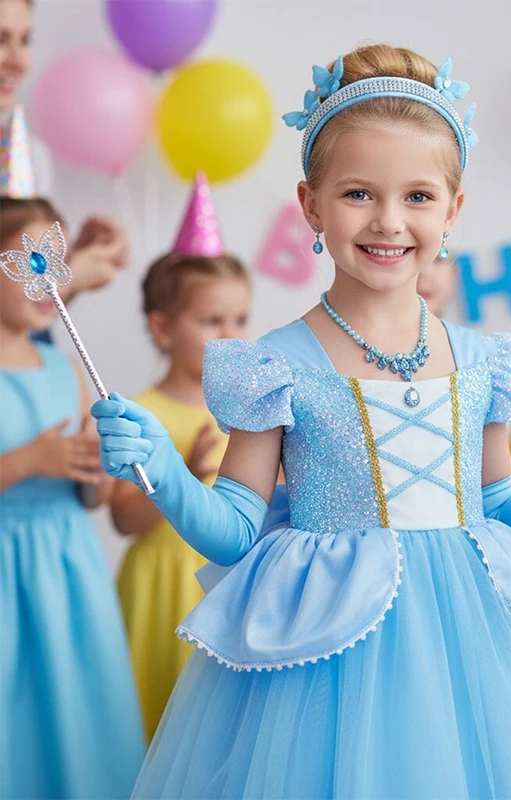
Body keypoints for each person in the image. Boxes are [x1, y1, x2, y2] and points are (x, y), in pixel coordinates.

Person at [93, 44, 511, 799]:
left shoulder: (484, 362)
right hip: (323, 670)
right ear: (310, 204)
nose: (389, 221)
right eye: (359, 193)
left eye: (418, 197)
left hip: (472, 660)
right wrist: (159, 467)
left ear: (453, 210)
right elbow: (234, 530)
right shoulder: (277, 365)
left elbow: (500, 522)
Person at [0, 196, 144, 799]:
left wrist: (96, 473)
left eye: (57, 263)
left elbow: (92, 501)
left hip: (67, 570)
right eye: (30, 261)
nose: (47, 279)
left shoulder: (63, 363)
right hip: (8, 572)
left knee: (81, 720)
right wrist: (28, 461)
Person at [112, 176, 252, 742]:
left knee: (220, 732)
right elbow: (124, 518)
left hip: (225, 583)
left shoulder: (249, 412)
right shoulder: (138, 411)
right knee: (160, 719)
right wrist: (184, 473)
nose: (230, 335)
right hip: (160, 584)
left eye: (240, 320)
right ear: (163, 328)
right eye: (212, 321)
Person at [0, 0, 129, 316]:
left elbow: (24, 323)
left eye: (25, 40)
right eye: (0, 40)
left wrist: (67, 260)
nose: (20, 61)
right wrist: (68, 279)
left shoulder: (31, 156)